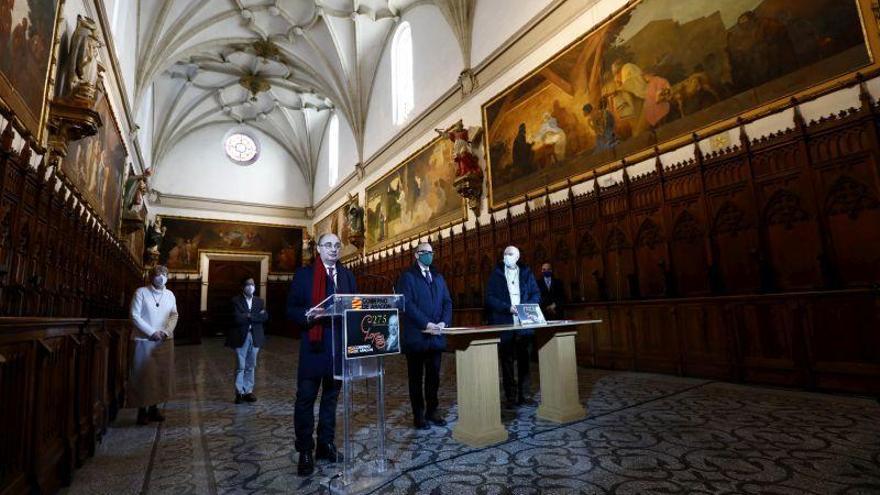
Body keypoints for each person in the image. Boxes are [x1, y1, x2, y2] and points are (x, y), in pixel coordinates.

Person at [287, 233, 356, 476]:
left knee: (330, 400)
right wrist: (307, 314)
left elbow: (355, 306)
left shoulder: (347, 276)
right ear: (319, 248)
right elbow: (291, 309)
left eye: (337, 245)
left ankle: (325, 444)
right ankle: (305, 449)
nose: (334, 249)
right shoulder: (304, 275)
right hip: (314, 348)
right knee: (306, 399)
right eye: (328, 245)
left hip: (338, 348)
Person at [396, 242, 453, 430]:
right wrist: (426, 323)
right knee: (415, 378)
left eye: (431, 252)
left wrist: (443, 323)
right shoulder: (408, 276)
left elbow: (447, 301)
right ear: (416, 255)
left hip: (436, 335)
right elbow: (407, 304)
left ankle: (432, 411)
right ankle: (418, 415)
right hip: (416, 336)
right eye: (424, 252)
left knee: (434, 377)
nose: (428, 255)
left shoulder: (438, 276)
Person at [485, 246, 541, 409]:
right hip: (505, 321)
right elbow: (489, 297)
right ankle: (510, 396)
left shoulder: (526, 273)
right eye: (505, 254)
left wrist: (524, 307)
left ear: (517, 257)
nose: (507, 256)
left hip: (524, 322)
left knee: (525, 359)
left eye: (510, 254)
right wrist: (506, 307)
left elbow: (536, 294)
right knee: (507, 360)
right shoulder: (496, 274)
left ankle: (525, 394)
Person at [129, 265, 178, 425]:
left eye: (164, 274)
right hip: (145, 340)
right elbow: (135, 316)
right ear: (151, 276)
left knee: (160, 376)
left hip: (164, 340)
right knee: (144, 376)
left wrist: (165, 332)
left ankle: (154, 409)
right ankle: (142, 411)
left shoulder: (170, 294)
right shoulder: (141, 292)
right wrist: (151, 332)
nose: (161, 277)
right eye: (158, 274)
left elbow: (174, 315)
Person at [227, 277, 268, 404]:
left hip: (255, 335)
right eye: (248, 284)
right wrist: (255, 316)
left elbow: (265, 317)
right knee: (240, 366)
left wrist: (248, 315)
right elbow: (237, 319)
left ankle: (248, 391)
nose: (251, 287)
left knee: (251, 365)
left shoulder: (259, 301)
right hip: (240, 336)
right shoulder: (236, 301)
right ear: (243, 287)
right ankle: (239, 392)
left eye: (253, 284)